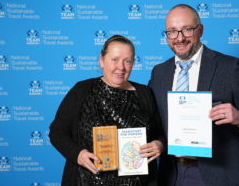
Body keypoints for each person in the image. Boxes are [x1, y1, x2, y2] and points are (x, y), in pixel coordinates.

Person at [148, 4, 239, 186]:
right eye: (172, 31)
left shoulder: (228, 67)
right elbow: (153, 122)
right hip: (171, 174)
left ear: (200, 30)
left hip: (219, 174)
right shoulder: (159, 72)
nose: (179, 38)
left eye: (186, 30)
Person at [49, 35, 165, 186]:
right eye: (115, 59)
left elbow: (161, 133)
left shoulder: (144, 93)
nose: (121, 67)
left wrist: (160, 144)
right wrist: (77, 154)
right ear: (102, 60)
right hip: (85, 181)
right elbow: (57, 132)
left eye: (127, 61)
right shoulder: (82, 90)